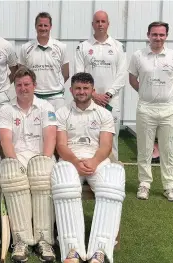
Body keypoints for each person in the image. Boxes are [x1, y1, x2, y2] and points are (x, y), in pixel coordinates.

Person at [51, 72, 125, 263]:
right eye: (78, 88)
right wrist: (76, 162)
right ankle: (72, 249)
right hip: (70, 160)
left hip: (97, 160)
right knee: (65, 187)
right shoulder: (62, 113)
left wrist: (93, 162)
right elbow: (61, 146)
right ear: (71, 90)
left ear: (93, 90)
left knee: (112, 186)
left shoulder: (104, 114)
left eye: (85, 88)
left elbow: (106, 146)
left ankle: (100, 251)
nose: (81, 92)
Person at [0, 66, 57, 262]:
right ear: (14, 87)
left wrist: (45, 160)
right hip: (17, 155)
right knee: (13, 175)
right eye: (19, 85)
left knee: (42, 175)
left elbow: (50, 137)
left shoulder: (46, 107)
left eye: (27, 84)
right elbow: (5, 140)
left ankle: (44, 240)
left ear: (34, 85)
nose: (23, 88)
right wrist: (14, 162)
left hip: (41, 155)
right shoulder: (6, 109)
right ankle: (21, 240)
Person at [128, 21, 173, 202]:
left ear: (166, 36)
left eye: (161, 35)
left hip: (167, 109)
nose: (158, 38)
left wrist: (165, 95)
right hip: (145, 108)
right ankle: (144, 184)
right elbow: (132, 79)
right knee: (144, 149)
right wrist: (147, 93)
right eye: (155, 34)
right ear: (148, 35)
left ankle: (170, 187)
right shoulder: (138, 56)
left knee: (167, 149)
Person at [74, 10, 127, 160]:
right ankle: (90, 175)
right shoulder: (83, 47)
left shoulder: (118, 46)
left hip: (110, 101)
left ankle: (113, 176)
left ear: (108, 24)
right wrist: (94, 94)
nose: (100, 24)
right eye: (97, 21)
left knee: (111, 139)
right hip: (89, 101)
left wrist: (108, 94)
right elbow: (79, 75)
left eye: (103, 21)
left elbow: (121, 75)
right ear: (92, 24)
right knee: (89, 138)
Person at [19, 12, 69, 110]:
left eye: (45, 25)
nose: (43, 28)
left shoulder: (61, 47)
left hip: (56, 98)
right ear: (35, 26)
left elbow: (66, 74)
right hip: (34, 96)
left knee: (56, 125)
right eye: (40, 25)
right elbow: (21, 74)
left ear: (50, 26)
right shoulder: (25, 48)